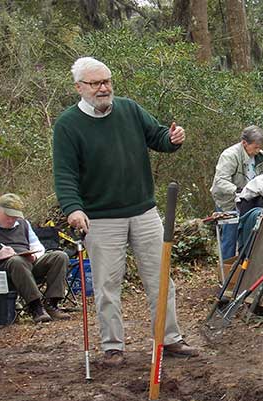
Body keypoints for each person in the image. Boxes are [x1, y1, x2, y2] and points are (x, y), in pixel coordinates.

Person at [52, 56, 198, 367]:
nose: (103, 88)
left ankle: (169, 339)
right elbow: (64, 174)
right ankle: (113, 347)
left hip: (143, 211)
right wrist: (73, 209)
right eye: (95, 83)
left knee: (161, 279)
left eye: (107, 81)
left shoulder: (129, 109)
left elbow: (158, 136)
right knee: (107, 285)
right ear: (79, 87)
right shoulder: (67, 125)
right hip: (100, 218)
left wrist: (173, 139)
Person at [0, 193, 71, 323]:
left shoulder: (23, 224)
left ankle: (52, 304)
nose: (12, 220)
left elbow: (39, 246)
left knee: (59, 256)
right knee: (16, 261)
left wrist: (35, 256)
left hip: (28, 264)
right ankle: (35, 307)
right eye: (8, 216)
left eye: (15, 216)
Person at [209, 125, 263, 258]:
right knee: (229, 238)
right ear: (244, 143)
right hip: (229, 203)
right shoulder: (230, 155)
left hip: (249, 204)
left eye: (260, 147)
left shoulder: (261, 157)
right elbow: (220, 182)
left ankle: (242, 272)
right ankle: (226, 274)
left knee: (248, 238)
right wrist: (239, 191)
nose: (258, 151)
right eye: (255, 147)